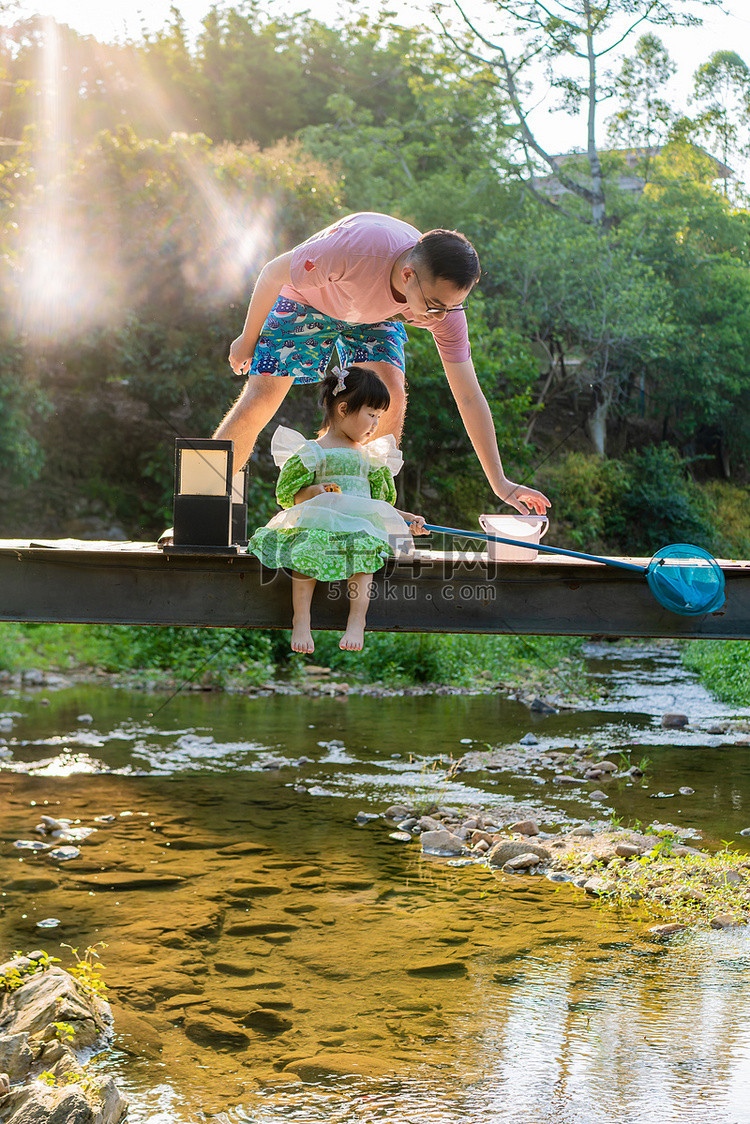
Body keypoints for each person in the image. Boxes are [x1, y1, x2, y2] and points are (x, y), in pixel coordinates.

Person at [219, 211, 550, 517]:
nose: (439, 318)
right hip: (313, 297)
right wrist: (247, 341)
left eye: (450, 307)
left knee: (390, 393)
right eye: (434, 306)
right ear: (408, 275)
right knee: (260, 398)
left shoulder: (445, 314)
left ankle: (372, 510)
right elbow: (272, 272)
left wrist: (501, 482)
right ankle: (203, 497)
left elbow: (468, 397)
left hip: (374, 315)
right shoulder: (352, 251)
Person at [248, 365, 428, 653]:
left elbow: (378, 506)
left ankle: (357, 620)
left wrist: (408, 519)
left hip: (358, 527)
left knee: (365, 556)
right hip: (319, 524)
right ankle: (302, 619)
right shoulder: (313, 452)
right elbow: (290, 496)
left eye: (379, 417)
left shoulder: (370, 458)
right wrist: (313, 491)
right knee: (304, 553)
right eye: (371, 414)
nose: (375, 424)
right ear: (343, 409)